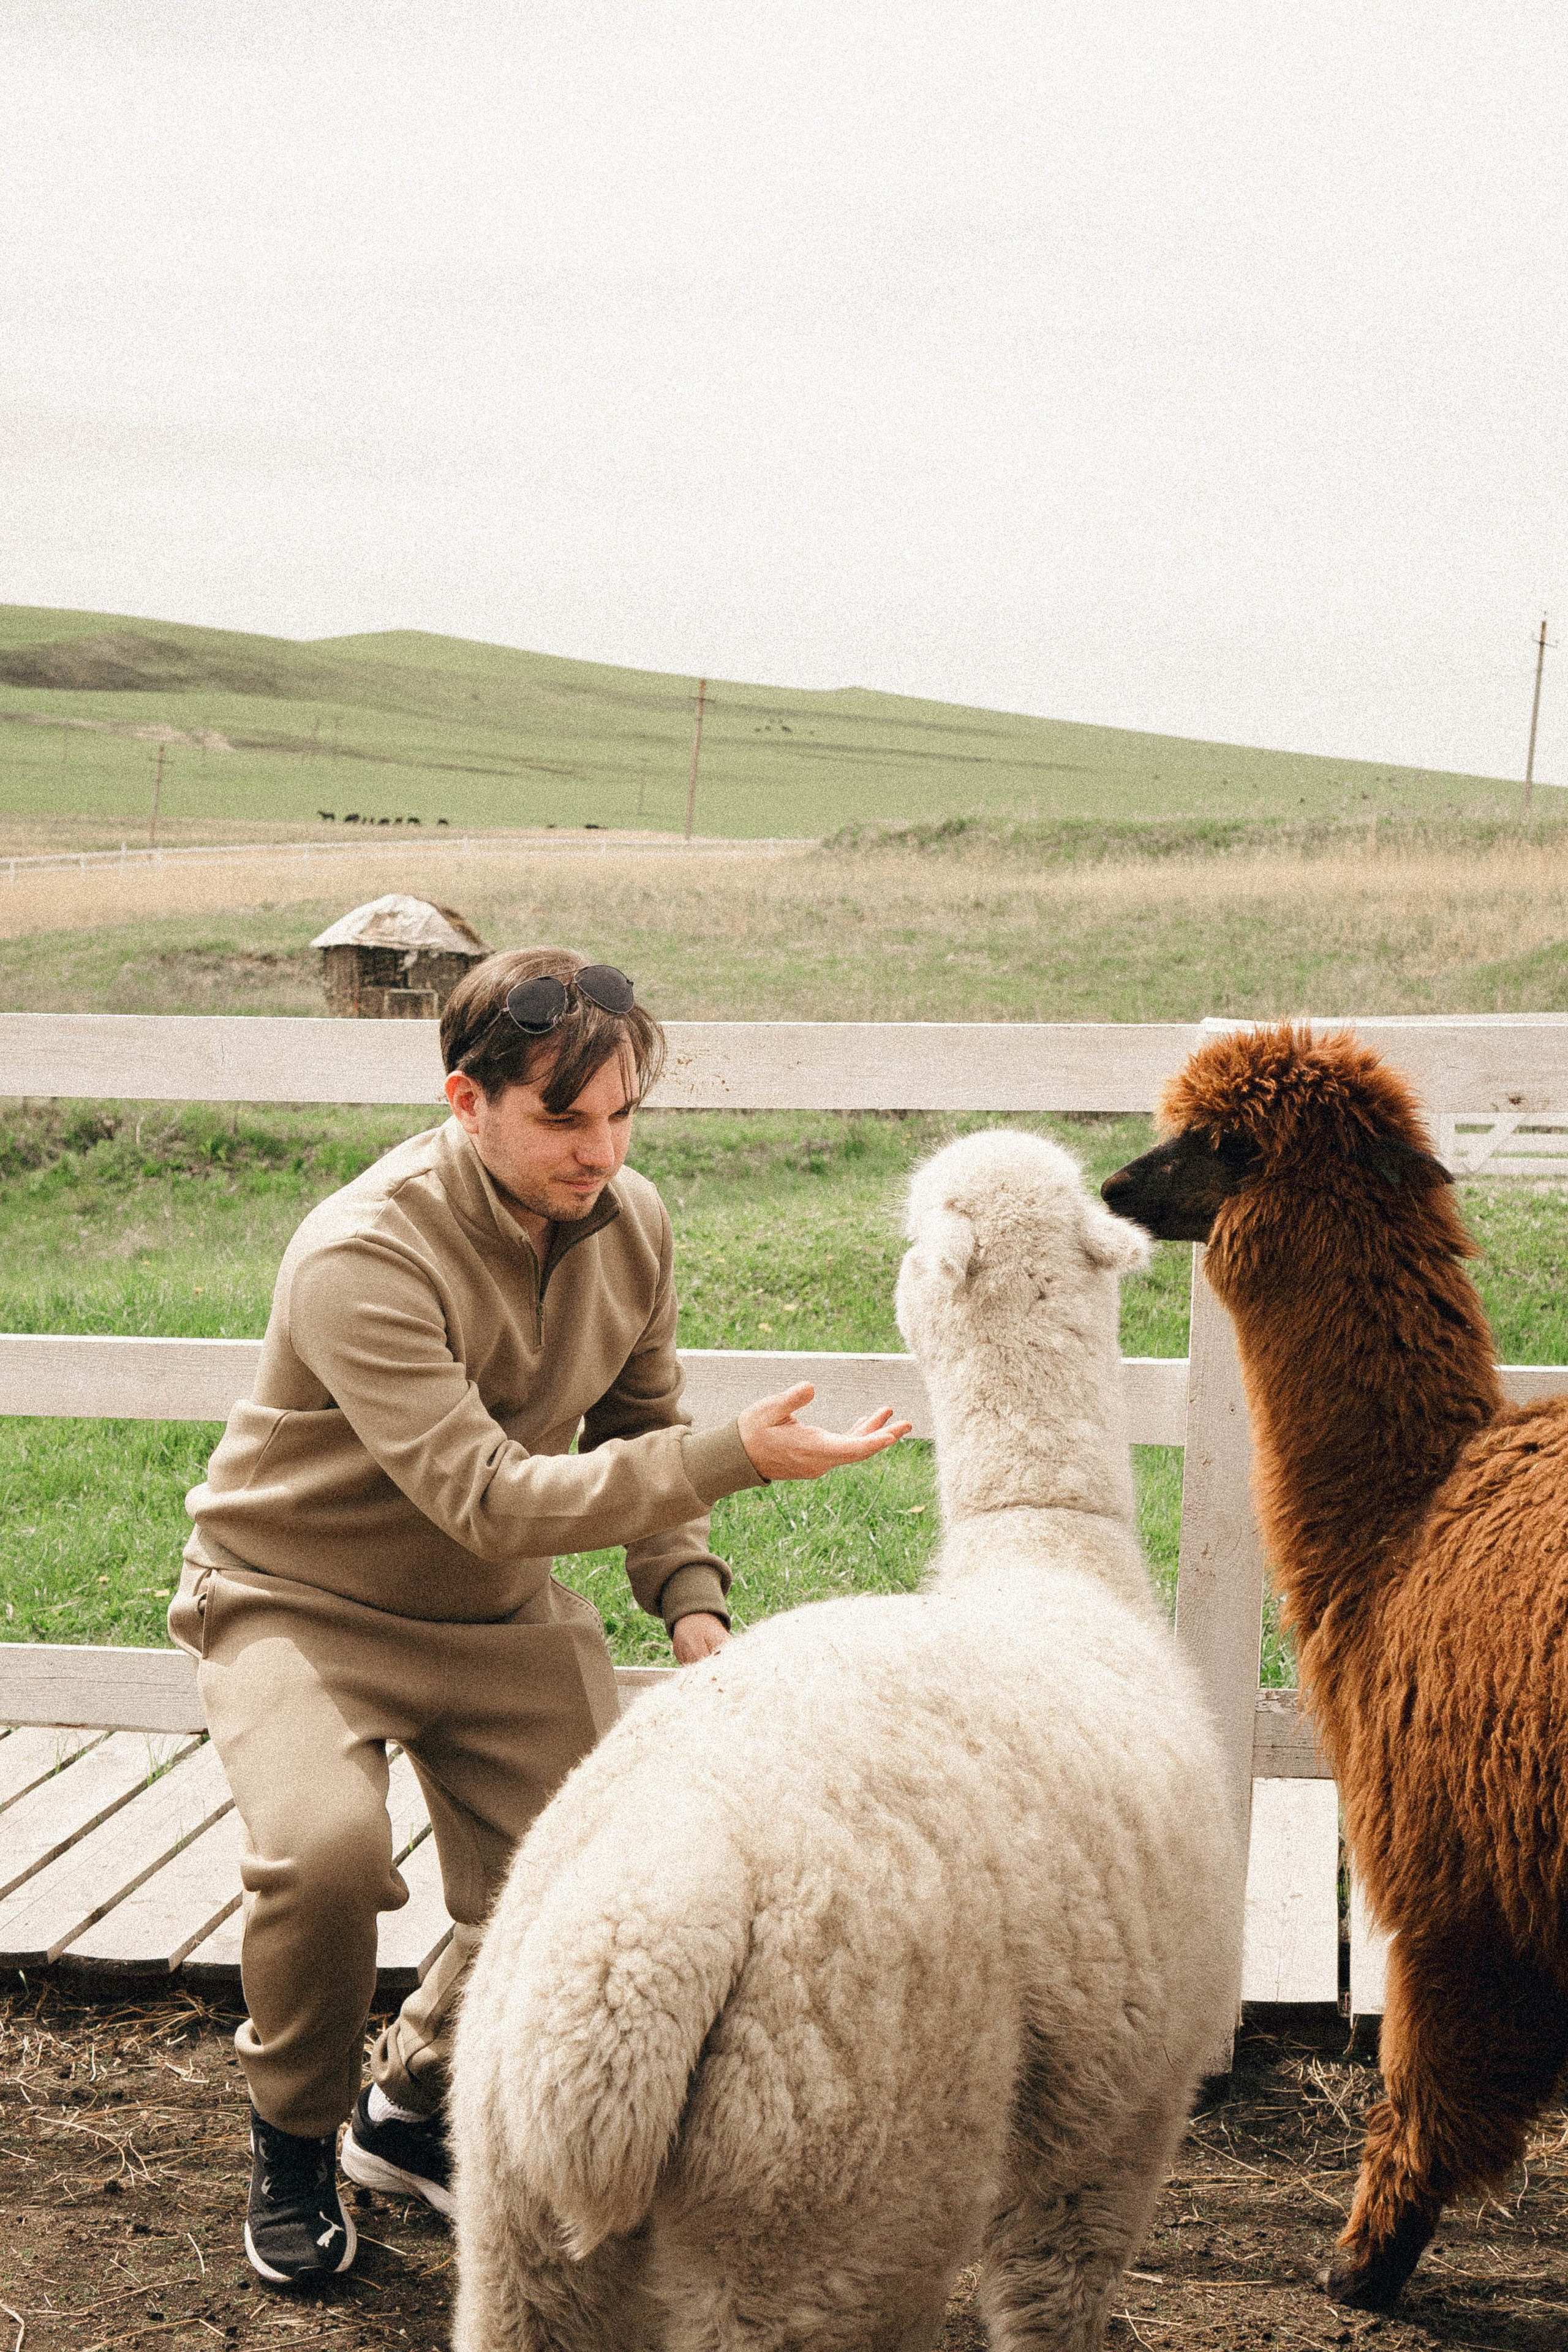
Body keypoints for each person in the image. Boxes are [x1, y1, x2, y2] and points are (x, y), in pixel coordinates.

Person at [168, 945, 910, 2286]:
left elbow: (635, 1424)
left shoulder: (631, 1222)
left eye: (622, 1115)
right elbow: (489, 1498)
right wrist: (734, 1457)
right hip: (297, 1598)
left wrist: (688, 1603)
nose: (600, 1152)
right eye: (564, 1119)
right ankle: (293, 2139)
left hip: (498, 1617)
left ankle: (412, 2106)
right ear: (468, 1101)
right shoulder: (360, 1253)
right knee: (324, 1856)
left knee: (584, 1883)